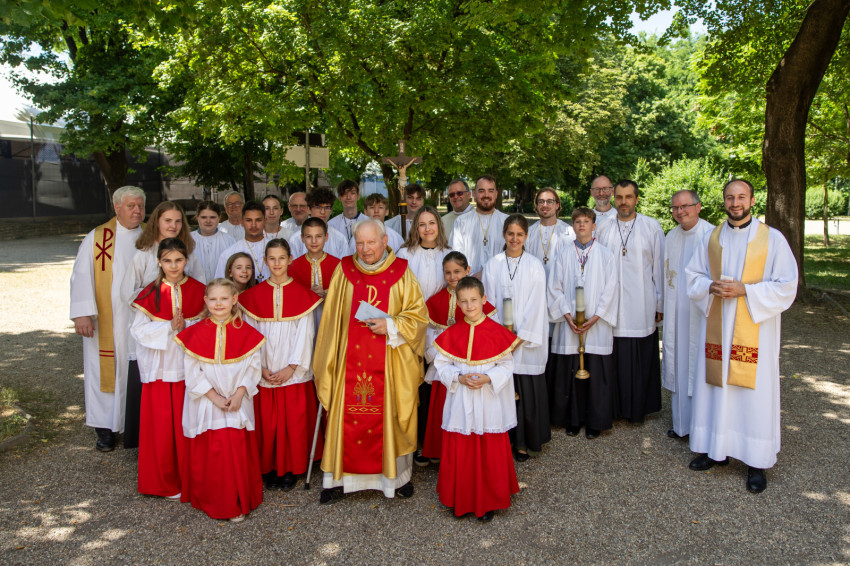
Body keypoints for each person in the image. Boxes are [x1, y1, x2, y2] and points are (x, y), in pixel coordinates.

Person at [685, 179, 797, 493]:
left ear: (752, 200)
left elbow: (787, 285)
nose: (735, 203)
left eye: (741, 197)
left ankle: (756, 462)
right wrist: (709, 286)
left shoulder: (772, 239)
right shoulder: (711, 238)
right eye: (730, 197)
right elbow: (692, 276)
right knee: (716, 388)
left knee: (753, 396)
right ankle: (715, 450)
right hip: (718, 330)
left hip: (754, 332)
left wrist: (745, 290)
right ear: (724, 201)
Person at [313, 219, 428, 504]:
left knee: (391, 413)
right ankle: (338, 479)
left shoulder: (402, 273)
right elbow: (331, 320)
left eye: (371, 242)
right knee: (344, 412)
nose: (365, 249)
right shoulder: (344, 270)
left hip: (390, 361)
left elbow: (418, 317)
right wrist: (330, 359)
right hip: (348, 361)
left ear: (385, 241)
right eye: (360, 243)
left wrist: (391, 325)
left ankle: (396, 478)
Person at [175, 278, 265, 522]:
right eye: (213, 299)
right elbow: (192, 372)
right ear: (205, 301)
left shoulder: (248, 333)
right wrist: (213, 396)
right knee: (214, 452)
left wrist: (239, 394)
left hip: (237, 400)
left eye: (224, 298)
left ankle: (237, 500)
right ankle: (214, 501)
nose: (218, 304)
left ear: (234, 300)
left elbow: (253, 367)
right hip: (208, 402)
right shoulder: (194, 333)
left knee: (235, 448)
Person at [433, 276, 520, 522]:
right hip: (461, 400)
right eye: (463, 301)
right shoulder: (452, 333)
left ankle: (488, 501)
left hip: (487, 400)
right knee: (461, 448)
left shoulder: (497, 333)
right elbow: (441, 364)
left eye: (473, 300)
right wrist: (459, 378)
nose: (469, 306)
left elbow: (506, 365)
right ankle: (460, 499)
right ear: (457, 303)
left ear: (484, 299)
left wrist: (488, 378)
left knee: (488, 449)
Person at [239, 239, 324, 491]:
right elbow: (250, 336)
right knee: (268, 422)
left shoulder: (303, 295)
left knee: (293, 422)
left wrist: (293, 367)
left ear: (290, 260)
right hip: (265, 369)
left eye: (282, 258)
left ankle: (290, 468)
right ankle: (269, 466)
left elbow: (306, 335)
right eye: (272, 259)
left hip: (292, 371)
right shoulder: (251, 297)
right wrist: (260, 367)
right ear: (265, 261)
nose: (277, 263)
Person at [122, 201, 205, 449]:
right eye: (168, 220)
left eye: (178, 221)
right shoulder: (145, 261)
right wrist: (164, 320)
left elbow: (202, 301)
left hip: (187, 356)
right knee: (160, 415)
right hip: (160, 357)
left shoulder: (193, 268)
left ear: (185, 260)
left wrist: (187, 321)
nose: (173, 225)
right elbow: (130, 299)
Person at [70, 185, 145, 451]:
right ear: (117, 207)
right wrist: (82, 314)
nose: (137, 211)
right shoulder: (99, 237)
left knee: (136, 369)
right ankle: (105, 429)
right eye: (131, 206)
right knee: (104, 370)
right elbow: (81, 275)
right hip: (106, 319)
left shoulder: (150, 235)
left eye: (140, 206)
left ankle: (135, 425)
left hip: (140, 319)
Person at [130, 238, 205, 499]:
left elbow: (209, 326)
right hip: (160, 369)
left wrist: (188, 325)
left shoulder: (199, 290)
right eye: (167, 261)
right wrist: (168, 327)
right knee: (161, 428)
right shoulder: (149, 293)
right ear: (159, 262)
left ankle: (192, 480)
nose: (173, 266)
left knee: (189, 424)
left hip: (188, 368)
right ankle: (162, 482)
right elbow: (138, 331)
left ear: (186, 261)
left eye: (179, 260)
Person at [482, 214, 550, 461]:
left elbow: (537, 305)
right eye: (510, 234)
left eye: (519, 234)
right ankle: (503, 442)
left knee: (527, 392)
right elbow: (488, 303)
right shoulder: (493, 265)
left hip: (526, 342)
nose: (514, 238)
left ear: (526, 236)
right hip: (500, 341)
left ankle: (525, 443)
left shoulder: (534, 265)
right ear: (504, 235)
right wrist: (501, 338)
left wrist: (519, 339)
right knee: (501, 391)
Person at [596, 180, 664, 423]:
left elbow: (659, 267)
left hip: (641, 303)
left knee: (639, 358)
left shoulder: (651, 227)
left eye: (628, 197)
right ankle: (614, 409)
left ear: (636, 199)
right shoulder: (603, 228)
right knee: (613, 357)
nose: (623, 202)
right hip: (611, 304)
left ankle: (638, 409)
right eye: (619, 197)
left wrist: (659, 303)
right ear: (614, 198)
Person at [547, 208, 618, 439]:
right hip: (570, 325)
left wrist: (596, 317)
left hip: (596, 325)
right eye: (577, 221)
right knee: (571, 372)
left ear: (593, 226)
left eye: (586, 221)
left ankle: (595, 421)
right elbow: (554, 288)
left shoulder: (606, 255)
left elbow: (611, 289)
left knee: (595, 372)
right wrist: (567, 315)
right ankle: (573, 419)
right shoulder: (563, 254)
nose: (581, 225)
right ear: (573, 226)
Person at [422, 252, 497, 462]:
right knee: (441, 407)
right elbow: (427, 334)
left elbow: (488, 330)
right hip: (445, 365)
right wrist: (442, 351)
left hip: (471, 364)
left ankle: (466, 453)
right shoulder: (435, 301)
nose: (452, 276)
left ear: (467, 270)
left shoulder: (475, 299)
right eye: (448, 272)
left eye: (457, 271)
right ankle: (440, 452)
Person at [396, 206, 452, 467]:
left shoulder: (449, 254)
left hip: (440, 329)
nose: (427, 229)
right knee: (412, 386)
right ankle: (413, 442)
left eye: (432, 223)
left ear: (439, 225)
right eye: (422, 224)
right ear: (415, 228)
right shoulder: (404, 254)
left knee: (435, 387)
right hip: (410, 328)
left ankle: (435, 443)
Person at [663, 190, 714, 440]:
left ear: (698, 207)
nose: (680, 211)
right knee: (678, 363)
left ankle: (701, 427)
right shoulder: (671, 236)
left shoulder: (712, 235)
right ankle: (681, 424)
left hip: (700, 312)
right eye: (675, 208)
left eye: (685, 206)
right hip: (676, 310)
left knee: (698, 365)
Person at [450, 175, 510, 276]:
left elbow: (512, 255)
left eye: (490, 191)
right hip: (469, 281)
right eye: (481, 191)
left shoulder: (507, 222)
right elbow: (455, 256)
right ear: (474, 193)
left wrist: (486, 274)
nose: (486, 195)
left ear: (496, 194)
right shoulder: (461, 222)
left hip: (499, 281)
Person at [288, 218, 342, 329]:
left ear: (326, 237)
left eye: (318, 236)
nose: (314, 241)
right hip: (303, 323)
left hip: (330, 320)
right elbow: (290, 299)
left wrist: (326, 295)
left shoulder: (338, 265)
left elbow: (344, 297)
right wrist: (308, 295)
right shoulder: (293, 267)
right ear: (302, 238)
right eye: (309, 236)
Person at [214, 201, 270, 282]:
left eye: (258, 220)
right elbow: (220, 284)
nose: (253, 225)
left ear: (265, 221)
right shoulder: (230, 253)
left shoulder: (276, 249)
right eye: (248, 220)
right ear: (242, 222)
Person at [287, 188, 349, 259]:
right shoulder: (295, 240)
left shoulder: (340, 239)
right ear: (308, 209)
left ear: (331, 210)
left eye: (327, 207)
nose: (323, 212)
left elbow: (344, 265)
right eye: (318, 207)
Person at [526, 188, 575, 273]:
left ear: (557, 205)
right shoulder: (528, 233)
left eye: (550, 201)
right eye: (541, 201)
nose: (545, 205)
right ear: (536, 205)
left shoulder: (570, 233)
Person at [191, 201, 235, 282]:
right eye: (203, 217)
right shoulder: (188, 240)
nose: (208, 221)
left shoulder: (229, 241)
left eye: (212, 217)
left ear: (219, 217)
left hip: (222, 287)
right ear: (197, 217)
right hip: (194, 287)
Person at [328, 180, 368, 251]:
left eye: (352, 193)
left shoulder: (369, 222)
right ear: (339, 197)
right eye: (344, 193)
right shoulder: (331, 224)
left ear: (358, 196)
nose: (348, 197)